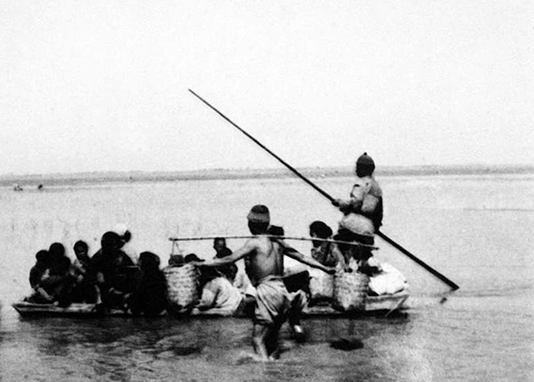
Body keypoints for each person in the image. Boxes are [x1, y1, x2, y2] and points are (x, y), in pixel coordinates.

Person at [196, 205, 335, 361]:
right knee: (272, 341)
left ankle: (264, 369)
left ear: (252, 225)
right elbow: (302, 257)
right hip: (282, 291)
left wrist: (202, 264)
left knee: (257, 339)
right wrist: (325, 268)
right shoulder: (279, 243)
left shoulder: (254, 243)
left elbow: (229, 259)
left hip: (267, 291)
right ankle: (274, 367)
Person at [331, 152, 383, 262]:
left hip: (354, 226)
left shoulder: (362, 183)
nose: (355, 170)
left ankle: (341, 267)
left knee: (337, 246)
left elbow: (355, 202)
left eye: (358, 167)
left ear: (363, 168)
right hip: (369, 228)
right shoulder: (375, 185)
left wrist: (340, 203)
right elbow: (368, 208)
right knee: (363, 255)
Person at [91, 231, 136, 311]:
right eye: (114, 246)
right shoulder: (97, 259)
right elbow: (98, 281)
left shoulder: (121, 256)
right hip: (105, 295)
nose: (116, 248)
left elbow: (132, 272)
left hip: (122, 293)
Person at [131, 251, 168, 317]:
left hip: (150, 308)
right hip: (159, 307)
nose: (138, 263)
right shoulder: (158, 274)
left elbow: (141, 293)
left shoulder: (146, 276)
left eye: (140, 260)